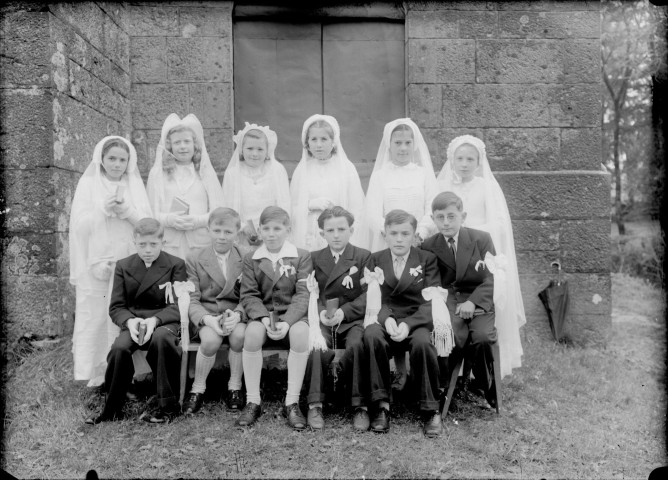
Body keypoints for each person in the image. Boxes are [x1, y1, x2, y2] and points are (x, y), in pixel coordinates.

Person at [435, 135, 524, 378]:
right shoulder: (442, 186)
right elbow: (432, 215)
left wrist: (467, 231)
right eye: (459, 159)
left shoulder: (486, 187)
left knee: (483, 313)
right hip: (452, 255)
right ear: (451, 160)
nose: (464, 164)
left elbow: (499, 223)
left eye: (470, 159)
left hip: (478, 254)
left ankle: (481, 371)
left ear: (479, 162)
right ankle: (450, 370)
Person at [85, 218, 187, 424]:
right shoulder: (124, 265)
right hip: (135, 323)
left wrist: (155, 320)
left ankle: (168, 406)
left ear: (163, 242)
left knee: (162, 340)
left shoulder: (175, 264)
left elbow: (179, 305)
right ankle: (112, 408)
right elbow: (116, 307)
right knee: (119, 348)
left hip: (163, 321)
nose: (148, 250)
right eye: (142, 244)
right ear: (134, 242)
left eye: (153, 244)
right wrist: (130, 322)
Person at [69, 136, 152, 387]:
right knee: (96, 315)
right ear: (101, 159)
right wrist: (102, 209)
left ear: (129, 162)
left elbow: (146, 225)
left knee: (127, 313)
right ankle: (98, 373)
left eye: (122, 160)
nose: (117, 164)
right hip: (97, 261)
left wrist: (127, 211)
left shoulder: (133, 185)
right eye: (112, 158)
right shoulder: (89, 184)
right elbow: (79, 227)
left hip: (127, 258)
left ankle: (131, 373)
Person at [363, 210, 443, 438]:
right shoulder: (375, 259)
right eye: (394, 233)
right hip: (385, 317)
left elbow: (432, 299)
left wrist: (408, 324)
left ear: (414, 235)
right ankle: (381, 405)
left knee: (423, 343)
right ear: (385, 234)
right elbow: (372, 297)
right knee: (371, 335)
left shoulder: (426, 260)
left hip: (416, 320)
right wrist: (386, 318)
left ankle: (430, 408)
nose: (399, 239)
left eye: (405, 234)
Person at [236, 206, 313, 430]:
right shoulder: (251, 258)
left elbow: (303, 294)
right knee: (251, 335)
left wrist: (287, 322)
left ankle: (292, 402)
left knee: (301, 334)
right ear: (259, 230)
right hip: (263, 314)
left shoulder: (301, 256)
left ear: (288, 230)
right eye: (266, 229)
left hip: (293, 316)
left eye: (277, 228)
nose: (271, 234)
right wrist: (262, 319)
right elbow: (249, 294)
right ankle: (253, 401)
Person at [421, 192, 498, 409]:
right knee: (448, 336)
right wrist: (446, 306)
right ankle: (444, 388)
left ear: (462, 216)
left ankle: (485, 384)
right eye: (440, 217)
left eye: (451, 216)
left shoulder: (481, 239)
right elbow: (432, 283)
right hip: (448, 303)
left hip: (479, 301)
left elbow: (492, 276)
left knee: (482, 338)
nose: (446, 222)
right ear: (433, 219)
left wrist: (473, 302)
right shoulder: (428, 245)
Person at [304, 206, 372, 431]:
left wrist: (345, 312)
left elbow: (368, 294)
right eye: (330, 230)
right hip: (324, 319)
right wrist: (321, 311)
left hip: (351, 319)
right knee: (317, 345)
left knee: (356, 345)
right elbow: (310, 292)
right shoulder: (314, 258)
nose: (336, 235)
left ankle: (360, 406)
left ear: (351, 230)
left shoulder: (363, 256)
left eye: (341, 229)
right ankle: (315, 403)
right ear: (321, 233)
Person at [183, 208, 249, 415]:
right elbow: (192, 299)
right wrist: (208, 320)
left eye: (228, 232)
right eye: (217, 231)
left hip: (235, 314)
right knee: (211, 340)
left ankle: (235, 386)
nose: (222, 236)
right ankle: (198, 388)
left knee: (240, 336)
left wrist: (238, 314)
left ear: (237, 233)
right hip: (208, 313)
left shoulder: (246, 257)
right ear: (208, 230)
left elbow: (250, 294)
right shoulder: (195, 257)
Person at [147, 113, 224, 259]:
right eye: (177, 142)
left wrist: (198, 221)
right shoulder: (157, 174)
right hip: (168, 243)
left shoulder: (205, 173)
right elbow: (149, 212)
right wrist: (169, 220)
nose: (182, 146)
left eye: (187, 141)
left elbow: (218, 211)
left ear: (195, 145)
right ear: (169, 146)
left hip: (200, 243)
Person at [290, 114, 366, 251]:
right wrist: (309, 205)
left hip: (338, 233)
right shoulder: (302, 171)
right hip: (311, 235)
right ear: (307, 143)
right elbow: (291, 209)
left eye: (324, 139)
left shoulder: (346, 168)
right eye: (314, 139)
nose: (319, 145)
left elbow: (357, 208)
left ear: (333, 141)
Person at [364, 119, 438, 253]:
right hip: (387, 242)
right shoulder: (379, 176)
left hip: (418, 242)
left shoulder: (424, 174)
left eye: (408, 143)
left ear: (414, 144)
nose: (403, 148)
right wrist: (392, 235)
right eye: (398, 143)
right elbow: (372, 214)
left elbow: (432, 208)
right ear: (389, 144)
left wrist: (419, 233)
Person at [222, 123, 290, 248]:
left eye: (260, 149)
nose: (254, 154)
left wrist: (271, 228)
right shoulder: (232, 173)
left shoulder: (277, 170)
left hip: (272, 232)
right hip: (243, 235)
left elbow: (284, 203)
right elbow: (228, 207)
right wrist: (243, 227)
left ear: (267, 150)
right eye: (250, 148)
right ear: (241, 149)